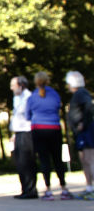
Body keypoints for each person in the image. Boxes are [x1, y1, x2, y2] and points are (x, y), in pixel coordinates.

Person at [26, 71, 72, 201]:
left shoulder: (33, 96)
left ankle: (48, 190)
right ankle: (63, 188)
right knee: (58, 159)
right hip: (54, 128)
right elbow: (58, 107)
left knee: (44, 159)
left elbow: (27, 115)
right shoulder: (54, 94)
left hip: (38, 129)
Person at [65, 71, 94, 200]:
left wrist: (84, 122)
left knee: (90, 159)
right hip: (81, 133)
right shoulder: (78, 94)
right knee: (84, 160)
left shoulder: (81, 93)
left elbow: (89, 106)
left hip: (87, 132)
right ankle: (89, 187)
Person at [9, 76, 38, 199]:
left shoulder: (29, 97)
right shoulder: (16, 98)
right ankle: (24, 189)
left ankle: (31, 190)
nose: (11, 88)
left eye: (13, 85)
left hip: (27, 131)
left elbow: (27, 115)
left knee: (27, 161)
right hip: (19, 132)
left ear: (21, 85)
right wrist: (14, 134)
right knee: (20, 161)